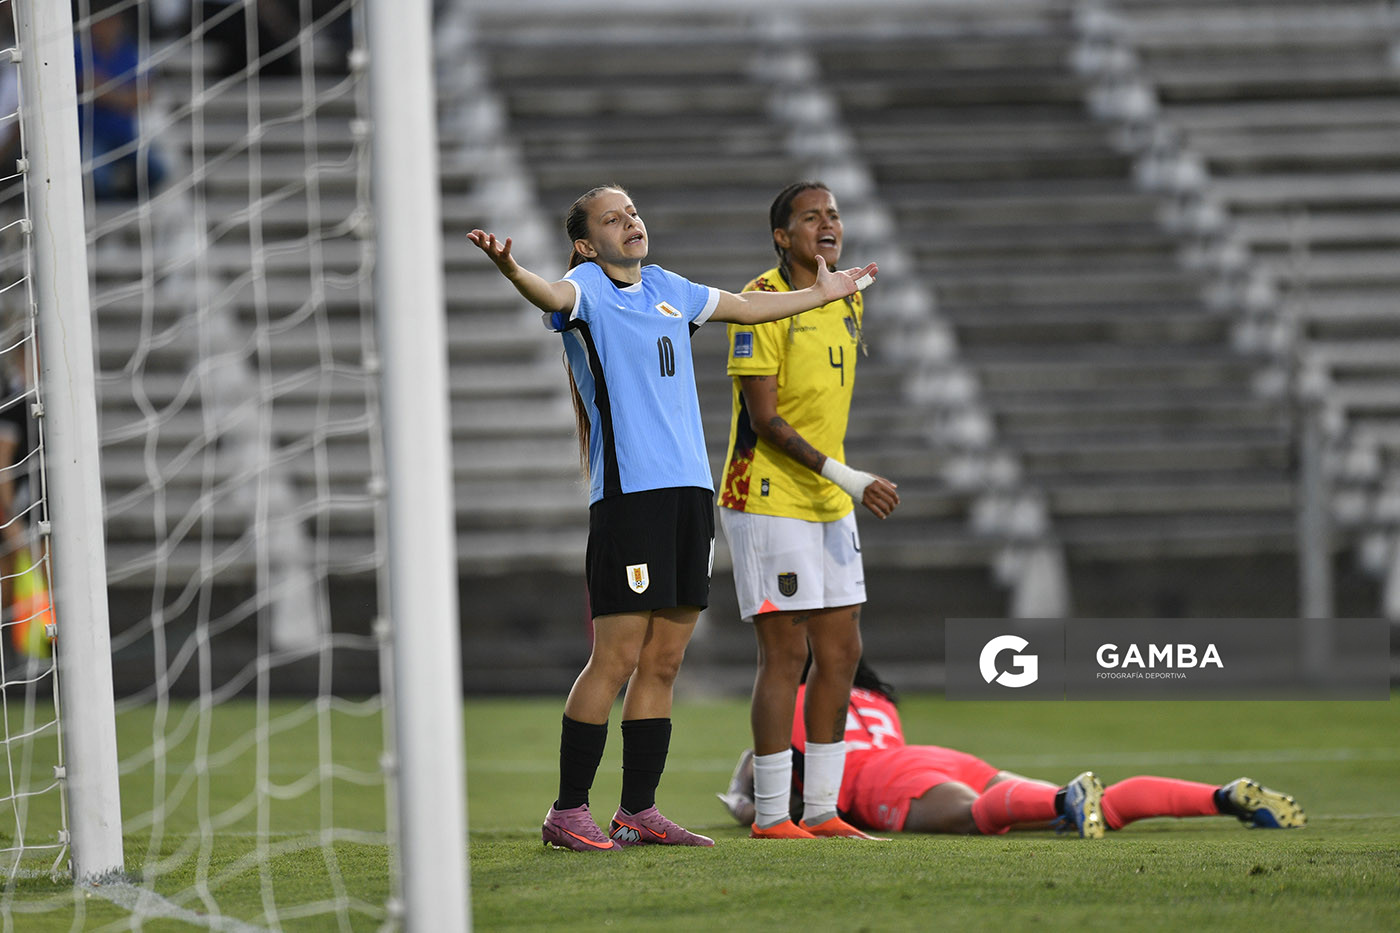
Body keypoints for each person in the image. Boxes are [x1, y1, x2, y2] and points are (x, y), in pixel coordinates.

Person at [468, 185, 878, 853]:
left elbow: (747, 307)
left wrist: (822, 294)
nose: (631, 222)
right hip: (631, 501)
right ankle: (569, 809)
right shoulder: (586, 290)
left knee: (664, 660)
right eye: (613, 218)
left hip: (690, 496)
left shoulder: (667, 286)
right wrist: (512, 269)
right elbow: (548, 296)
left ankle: (638, 810)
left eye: (632, 212)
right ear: (585, 243)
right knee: (618, 656)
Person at [716, 181, 900, 840]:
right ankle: (771, 814)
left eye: (834, 214)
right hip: (768, 496)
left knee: (842, 651)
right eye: (810, 216)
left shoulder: (847, 299)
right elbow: (764, 421)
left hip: (828, 499)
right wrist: (850, 476)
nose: (828, 223)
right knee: (785, 652)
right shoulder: (761, 301)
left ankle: (821, 808)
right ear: (781, 236)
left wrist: (840, 483)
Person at [717, 659, 1307, 838]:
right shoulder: (879, 700)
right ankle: (1223, 796)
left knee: (979, 818)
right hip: (940, 758)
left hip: (883, 781)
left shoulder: (789, 700)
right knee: (1083, 810)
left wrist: (744, 805)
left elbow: (753, 777)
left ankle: (1064, 798)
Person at [74, 6, 167, 201]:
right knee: (98, 179)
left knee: (158, 172)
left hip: (124, 137)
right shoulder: (79, 50)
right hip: (90, 138)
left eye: (114, 22)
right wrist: (125, 96)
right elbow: (88, 84)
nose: (109, 27)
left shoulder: (129, 51)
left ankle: (127, 205)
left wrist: (109, 93)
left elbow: (147, 94)